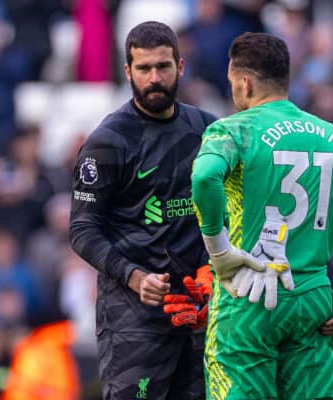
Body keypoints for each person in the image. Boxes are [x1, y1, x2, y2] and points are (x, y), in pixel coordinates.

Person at [191, 32, 333, 399]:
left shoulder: (235, 130)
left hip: (249, 295)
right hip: (312, 298)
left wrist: (219, 251)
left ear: (244, 82)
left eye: (232, 83)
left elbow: (203, 176)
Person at [69, 21, 217, 399]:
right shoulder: (108, 142)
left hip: (199, 311)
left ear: (180, 67)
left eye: (163, 67)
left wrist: (212, 268)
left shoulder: (207, 131)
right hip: (133, 319)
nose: (154, 78)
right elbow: (82, 231)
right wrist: (133, 275)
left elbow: (232, 210)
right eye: (144, 68)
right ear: (127, 72)